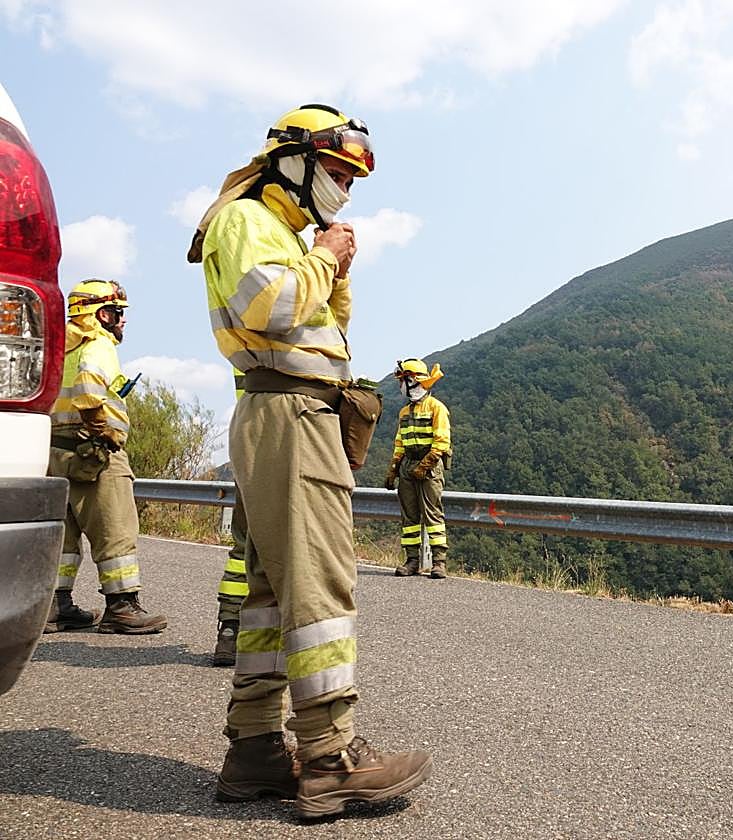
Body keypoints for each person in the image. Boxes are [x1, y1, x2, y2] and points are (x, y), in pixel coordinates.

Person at [190, 103, 432, 818]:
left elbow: (325, 326)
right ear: (292, 161)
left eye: (352, 180)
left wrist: (335, 270)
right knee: (321, 584)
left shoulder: (284, 232)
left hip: (293, 412)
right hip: (290, 414)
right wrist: (325, 256)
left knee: (271, 592)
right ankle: (331, 758)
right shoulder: (247, 220)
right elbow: (272, 309)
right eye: (336, 172)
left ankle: (256, 750)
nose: (344, 190)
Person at [45, 279, 169, 634]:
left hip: (54, 452)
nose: (122, 320)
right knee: (116, 530)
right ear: (101, 315)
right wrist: (102, 430)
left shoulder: (58, 348)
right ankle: (122, 608)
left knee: (63, 534)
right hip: (95, 453)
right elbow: (88, 391)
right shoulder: (98, 343)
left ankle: (56, 607)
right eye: (117, 312)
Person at [385, 358, 452, 579]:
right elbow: (400, 443)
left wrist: (424, 466)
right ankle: (412, 561)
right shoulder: (404, 412)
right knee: (409, 517)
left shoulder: (436, 408)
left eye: (402, 380)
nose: (400, 385)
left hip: (430, 467)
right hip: (407, 466)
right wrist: (393, 469)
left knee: (433, 514)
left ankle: (439, 562)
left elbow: (442, 442)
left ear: (413, 380)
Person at [211, 370, 247, 667]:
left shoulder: (244, 343)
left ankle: (230, 630)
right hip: (298, 439)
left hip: (250, 439)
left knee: (244, 549)